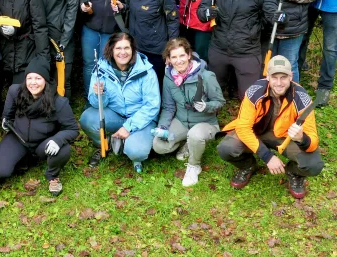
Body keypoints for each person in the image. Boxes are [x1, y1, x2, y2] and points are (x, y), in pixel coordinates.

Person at [217, 56, 323, 199]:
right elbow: (243, 127)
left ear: (291, 76)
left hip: (284, 138)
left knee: (314, 165)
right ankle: (248, 166)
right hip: (256, 133)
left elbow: (313, 139)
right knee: (226, 148)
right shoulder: (254, 92)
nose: (279, 83)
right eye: (275, 77)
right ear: (268, 77)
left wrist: (302, 139)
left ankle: (293, 172)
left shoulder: (302, 99)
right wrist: (267, 157)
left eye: (283, 77)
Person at [197, 0, 278, 97]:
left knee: (250, 97)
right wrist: (207, 12)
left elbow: (271, 10)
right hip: (219, 47)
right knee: (214, 92)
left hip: (247, 51)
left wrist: (277, 16)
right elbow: (201, 11)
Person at [0, 59, 79, 196]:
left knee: (64, 149)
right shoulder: (15, 91)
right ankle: (24, 158)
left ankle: (52, 175)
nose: (33, 82)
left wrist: (58, 139)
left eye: (38, 78)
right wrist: (5, 121)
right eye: (29, 78)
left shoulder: (59, 101)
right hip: (18, 138)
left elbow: (72, 129)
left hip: (43, 143)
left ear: (46, 80)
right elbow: (7, 115)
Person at [79, 32, 160, 172]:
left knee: (136, 151)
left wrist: (128, 127)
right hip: (116, 115)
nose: (123, 52)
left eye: (126, 48)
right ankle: (105, 144)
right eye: (118, 48)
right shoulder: (101, 68)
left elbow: (152, 106)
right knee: (87, 118)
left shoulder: (146, 71)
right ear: (111, 50)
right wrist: (100, 94)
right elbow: (95, 104)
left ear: (133, 50)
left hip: (141, 119)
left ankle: (131, 145)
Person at [152, 38, 224, 186]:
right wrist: (163, 127)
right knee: (159, 145)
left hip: (205, 123)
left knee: (196, 135)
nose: (179, 61)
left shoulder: (206, 76)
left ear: (189, 55)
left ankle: (194, 166)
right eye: (174, 57)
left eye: (182, 55)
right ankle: (187, 143)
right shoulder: (169, 77)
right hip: (182, 122)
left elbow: (220, 102)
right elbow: (168, 107)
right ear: (168, 59)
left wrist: (206, 106)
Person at [125, 0, 179, 84]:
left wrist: (171, 51)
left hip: (156, 50)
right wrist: (120, 7)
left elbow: (173, 22)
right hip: (135, 46)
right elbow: (128, 6)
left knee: (154, 86)